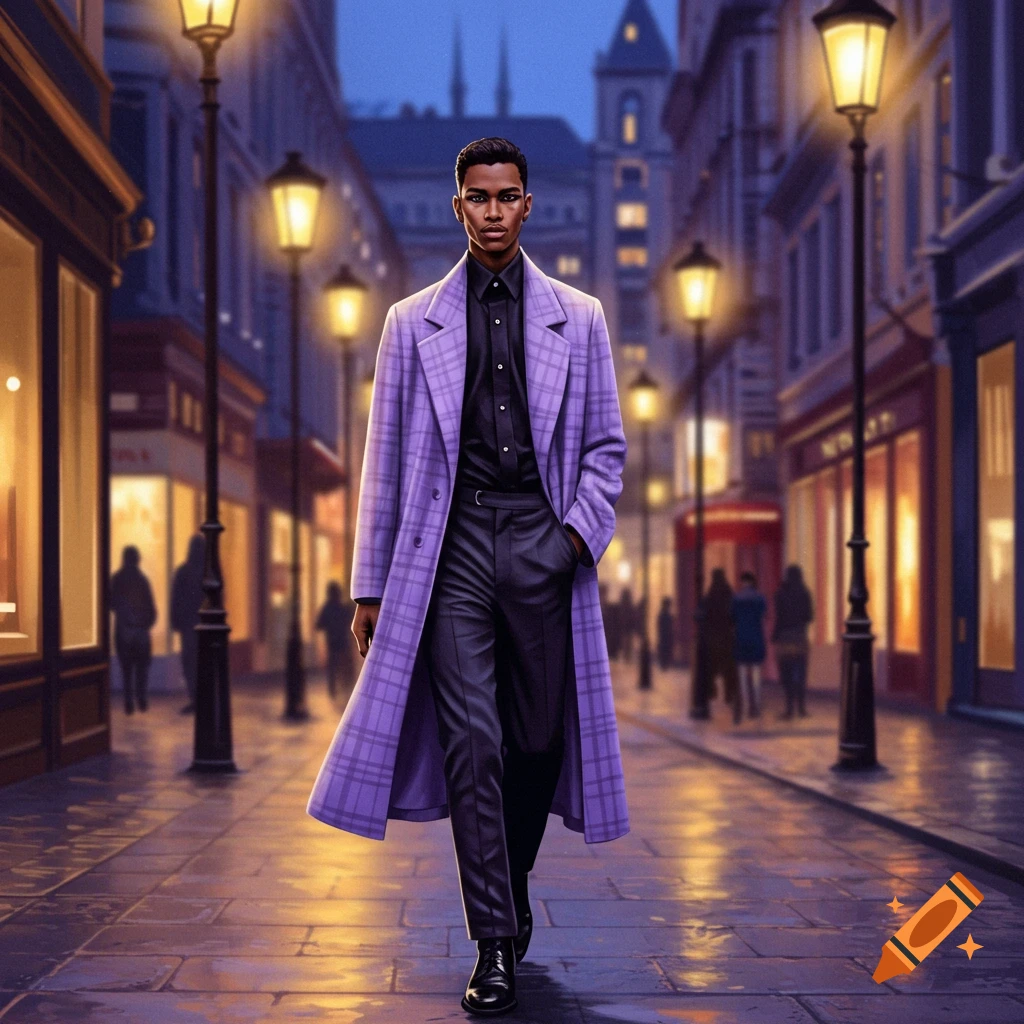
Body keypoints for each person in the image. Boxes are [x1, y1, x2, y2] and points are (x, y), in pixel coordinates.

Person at [308, 137, 629, 1017]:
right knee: (473, 746)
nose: (492, 210)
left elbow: (606, 449)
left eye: (507, 195)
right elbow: (384, 461)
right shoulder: (412, 322)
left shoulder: (583, 318)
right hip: (445, 552)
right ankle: (494, 943)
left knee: (535, 741)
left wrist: (570, 541)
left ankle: (511, 886)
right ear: (459, 207)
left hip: (541, 543)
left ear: (529, 206)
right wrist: (369, 585)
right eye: (478, 197)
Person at [109, 546, 157, 715]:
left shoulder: (117, 578)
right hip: (141, 631)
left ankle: (129, 700)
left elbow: (110, 603)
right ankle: (141, 697)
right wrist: (145, 623)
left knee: (127, 669)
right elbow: (151, 608)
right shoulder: (142, 580)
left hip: (124, 631)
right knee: (141, 668)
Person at [773, 565, 814, 719]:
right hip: (800, 637)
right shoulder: (805, 593)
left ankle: (789, 708)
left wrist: (775, 636)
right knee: (801, 672)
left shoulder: (780, 593)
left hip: (785, 638)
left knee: (787, 673)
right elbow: (810, 616)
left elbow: (779, 617)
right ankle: (802, 708)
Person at [170, 535, 205, 715]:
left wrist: (175, 621)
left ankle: (195, 698)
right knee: (202, 663)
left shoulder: (183, 571)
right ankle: (202, 699)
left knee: (190, 663)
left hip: (188, 624)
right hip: (204, 625)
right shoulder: (209, 572)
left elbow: (175, 599)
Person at [731, 571, 768, 722]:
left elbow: (732, 617)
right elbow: (763, 615)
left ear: (742, 582)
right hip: (756, 638)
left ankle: (747, 707)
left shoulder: (736, 598)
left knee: (742, 675)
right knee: (756, 673)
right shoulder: (760, 598)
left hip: (740, 638)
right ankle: (757, 705)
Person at [702, 568, 738, 716]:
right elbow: (733, 614)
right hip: (727, 636)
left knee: (711, 665)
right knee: (729, 667)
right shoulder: (729, 593)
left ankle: (711, 691)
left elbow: (705, 614)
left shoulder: (710, 594)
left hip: (713, 636)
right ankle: (729, 693)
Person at [315, 581, 351, 698]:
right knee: (343, 664)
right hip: (342, 641)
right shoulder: (342, 607)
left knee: (333, 665)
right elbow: (349, 621)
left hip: (332, 641)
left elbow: (318, 625)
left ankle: (333, 689)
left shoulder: (327, 608)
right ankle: (344, 685)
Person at [656, 597, 674, 671]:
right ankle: (664, 664)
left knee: (665, 650)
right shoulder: (664, 614)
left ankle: (664, 664)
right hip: (664, 635)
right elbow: (662, 626)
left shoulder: (664, 614)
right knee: (665, 650)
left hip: (665, 635)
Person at [618, 588, 636, 662]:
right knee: (627, 642)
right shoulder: (629, 605)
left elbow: (621, 616)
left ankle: (627, 656)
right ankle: (627, 656)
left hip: (625, 627)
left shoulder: (623, 605)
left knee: (626, 642)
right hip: (627, 627)